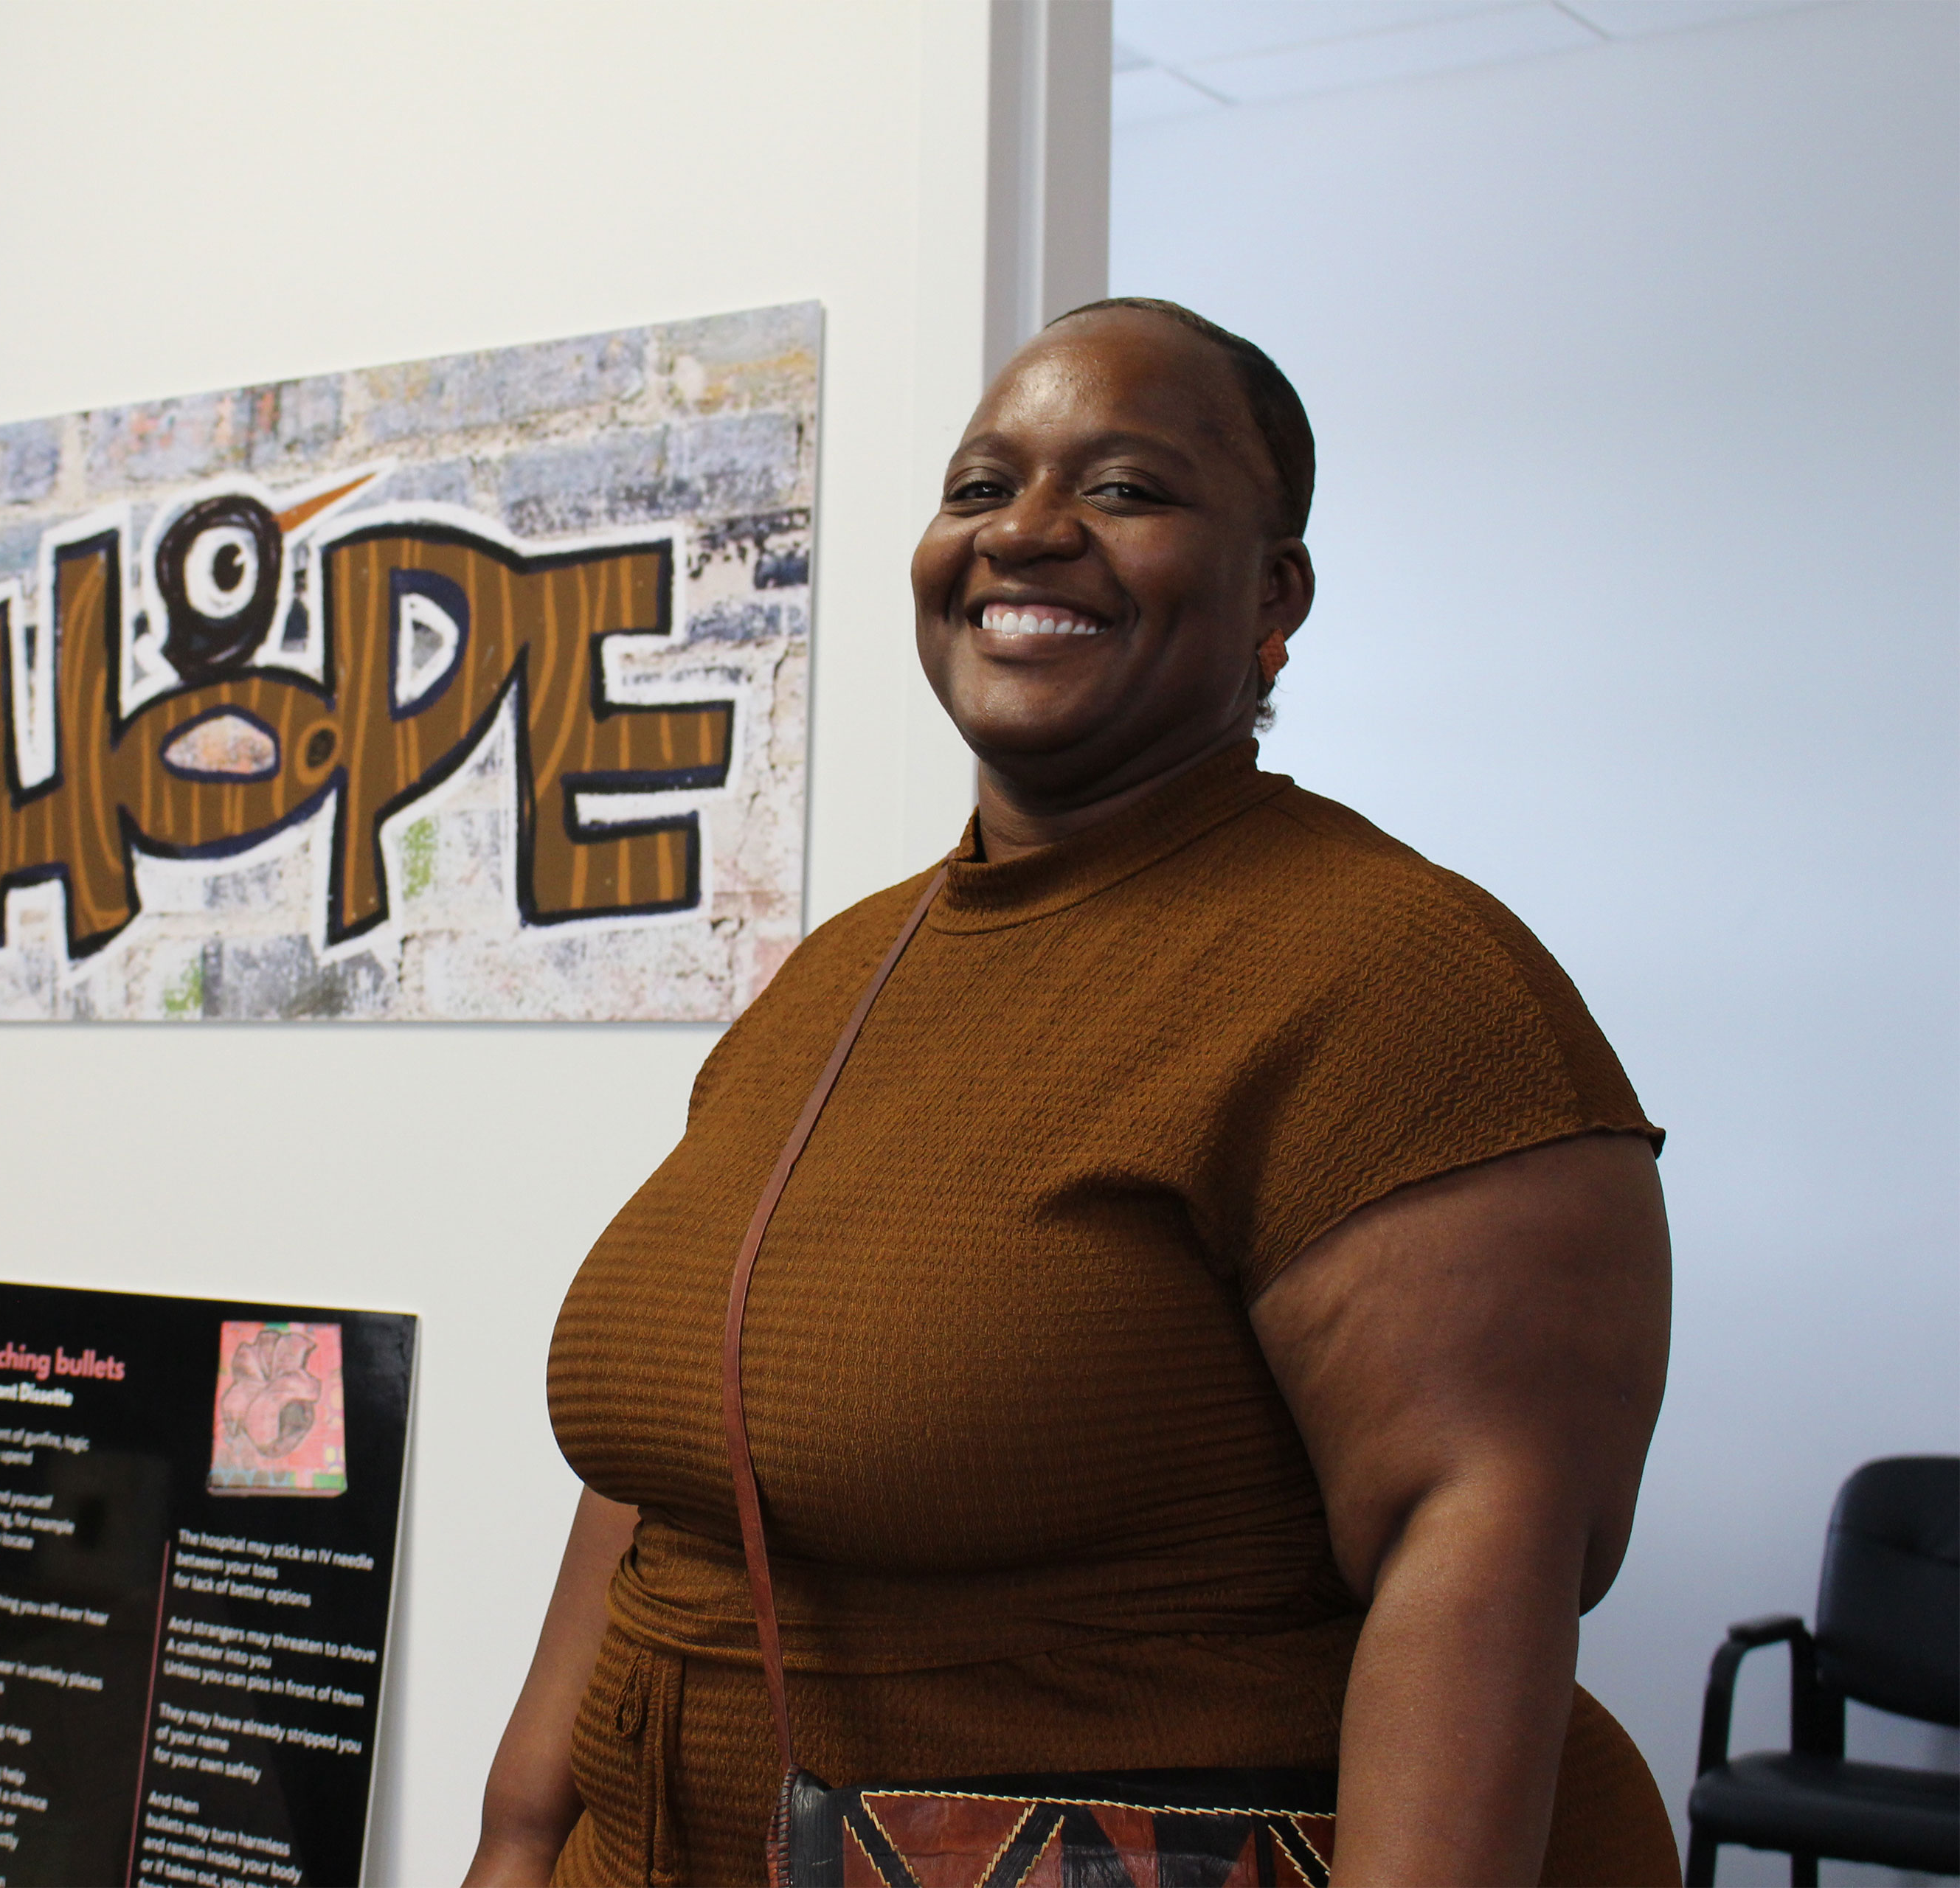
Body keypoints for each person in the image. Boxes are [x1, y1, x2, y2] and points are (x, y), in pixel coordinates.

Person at [470, 299, 1677, 1887]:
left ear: (1275, 591)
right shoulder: (842, 970)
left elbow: (1479, 1560)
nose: (1028, 533)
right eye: (983, 486)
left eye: (1125, 490)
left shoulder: (1404, 980)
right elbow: (660, 1475)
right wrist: (518, 1835)